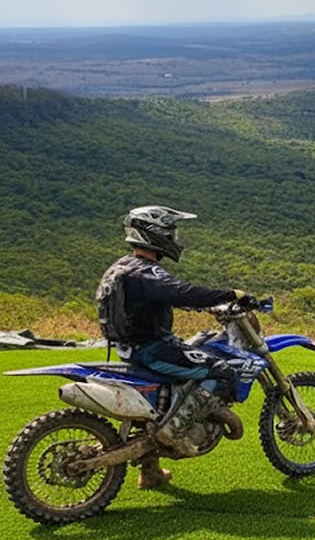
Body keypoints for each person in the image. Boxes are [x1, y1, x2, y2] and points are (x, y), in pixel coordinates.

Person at [96, 206, 258, 489]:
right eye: (170, 231)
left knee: (160, 400)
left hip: (128, 350)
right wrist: (233, 294)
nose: (174, 237)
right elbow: (182, 292)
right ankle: (174, 431)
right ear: (156, 234)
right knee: (222, 372)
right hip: (151, 349)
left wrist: (203, 305)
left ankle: (151, 471)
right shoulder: (148, 273)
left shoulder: (121, 267)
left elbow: (161, 299)